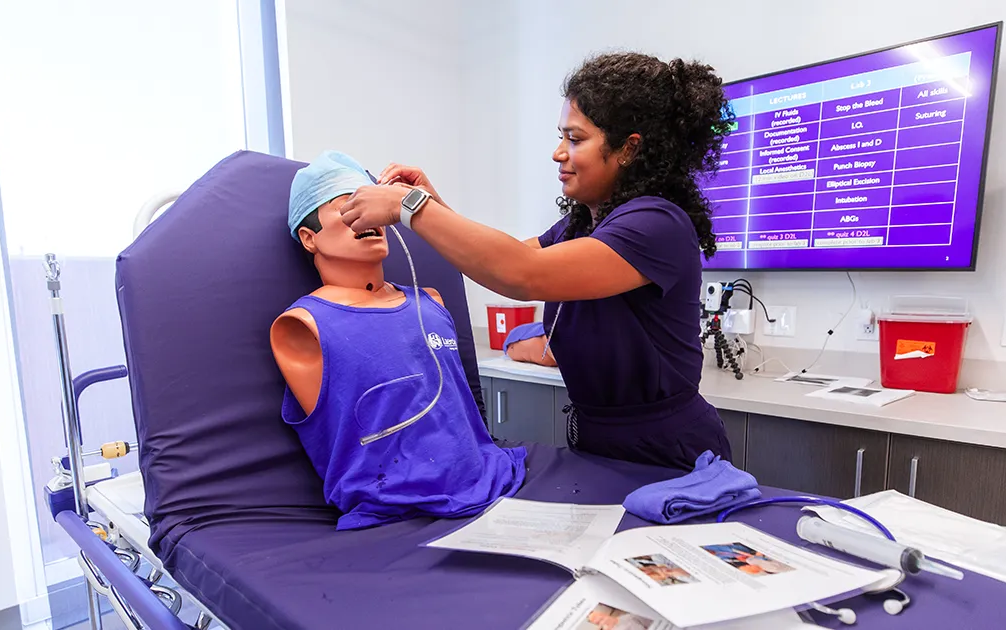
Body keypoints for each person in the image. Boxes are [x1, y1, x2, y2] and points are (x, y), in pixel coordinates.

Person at [338, 53, 734, 469]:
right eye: (561, 137)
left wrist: (410, 207)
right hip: (600, 442)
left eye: (575, 139)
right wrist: (433, 206)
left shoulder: (658, 224)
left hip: (668, 451)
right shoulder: (581, 225)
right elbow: (506, 256)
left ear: (628, 149)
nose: (558, 153)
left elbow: (523, 273)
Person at [269, 151, 526, 531]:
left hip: (493, 481)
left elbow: (522, 262)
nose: (368, 216)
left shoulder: (430, 303)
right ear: (310, 238)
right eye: (347, 205)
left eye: (371, 203)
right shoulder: (305, 326)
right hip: (394, 513)